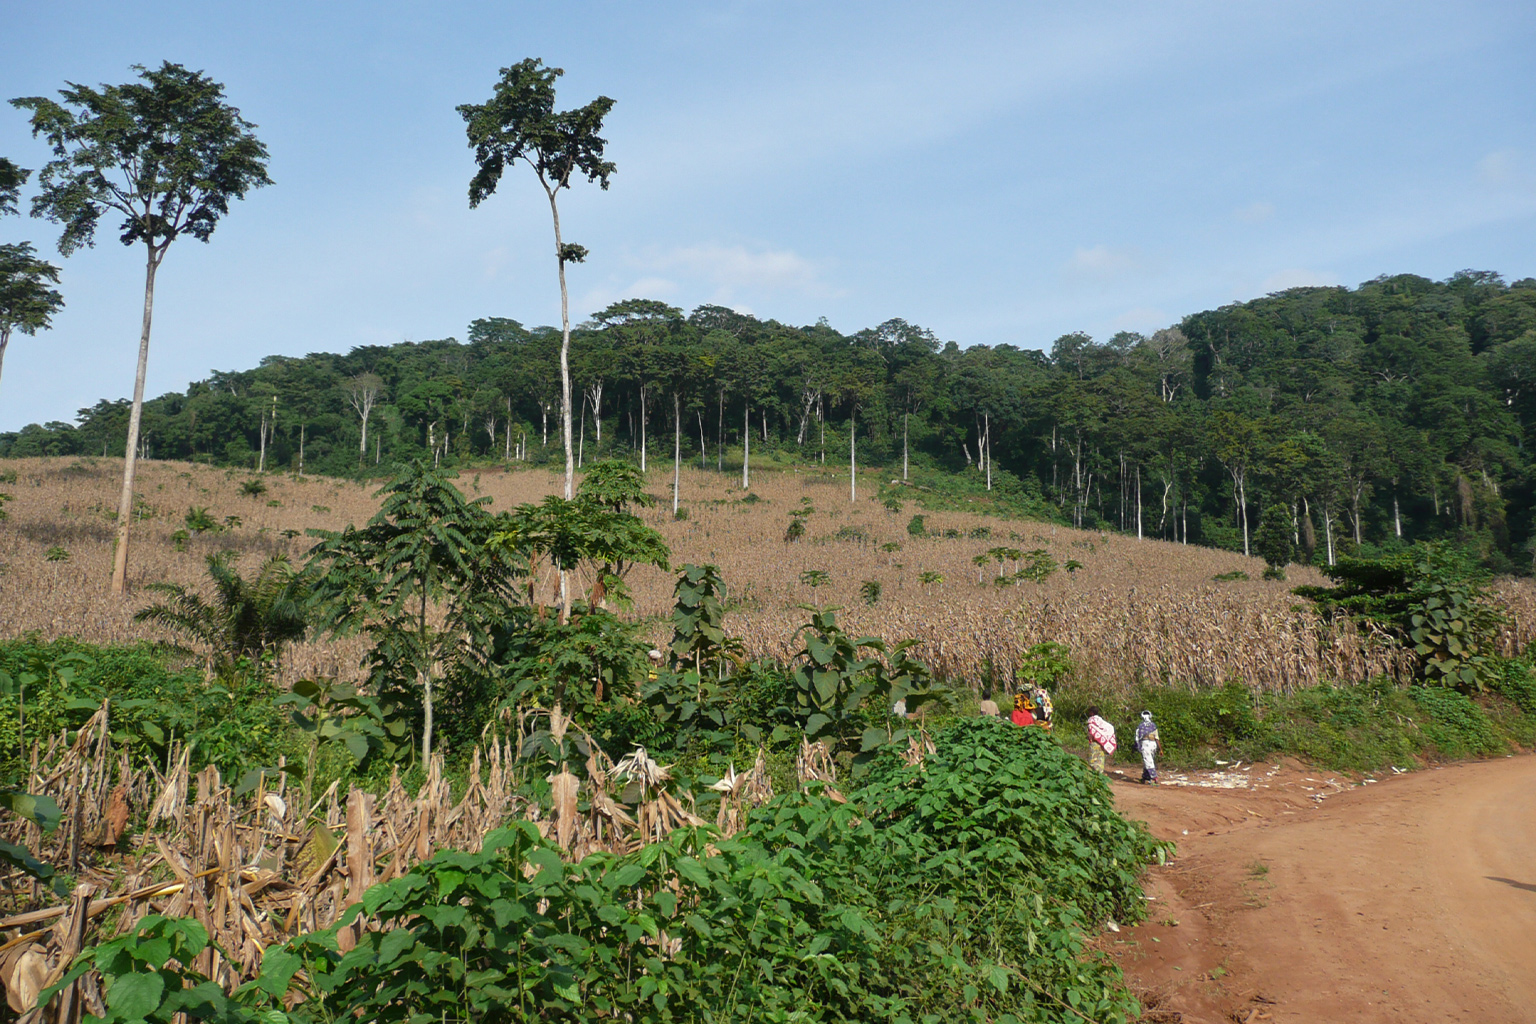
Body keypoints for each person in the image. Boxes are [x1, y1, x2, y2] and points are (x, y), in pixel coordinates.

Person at [1086, 706, 1116, 772]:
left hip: (1094, 743)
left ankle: (1093, 772)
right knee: (1100, 758)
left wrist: (1090, 737)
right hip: (1102, 743)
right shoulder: (1101, 721)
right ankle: (1099, 772)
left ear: (1091, 712)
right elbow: (1110, 728)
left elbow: (1091, 732)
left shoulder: (1091, 720)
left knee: (1093, 758)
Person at [1135, 710, 1161, 784]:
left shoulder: (1140, 726)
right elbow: (1157, 737)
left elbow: (1137, 737)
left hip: (1145, 743)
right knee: (1148, 760)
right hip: (1153, 744)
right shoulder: (1153, 725)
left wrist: (1137, 745)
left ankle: (1154, 776)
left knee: (1148, 760)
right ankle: (1145, 777)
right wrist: (1160, 748)